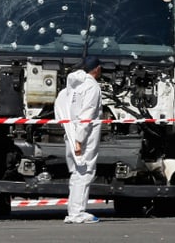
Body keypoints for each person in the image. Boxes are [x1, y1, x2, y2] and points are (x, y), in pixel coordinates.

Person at [55, 56, 103, 224]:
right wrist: (79, 140)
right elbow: (88, 114)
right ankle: (77, 213)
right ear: (97, 69)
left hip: (71, 132)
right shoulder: (92, 87)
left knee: (77, 173)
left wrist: (72, 135)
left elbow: (60, 106)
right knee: (85, 171)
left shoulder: (73, 86)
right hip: (85, 136)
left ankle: (73, 211)